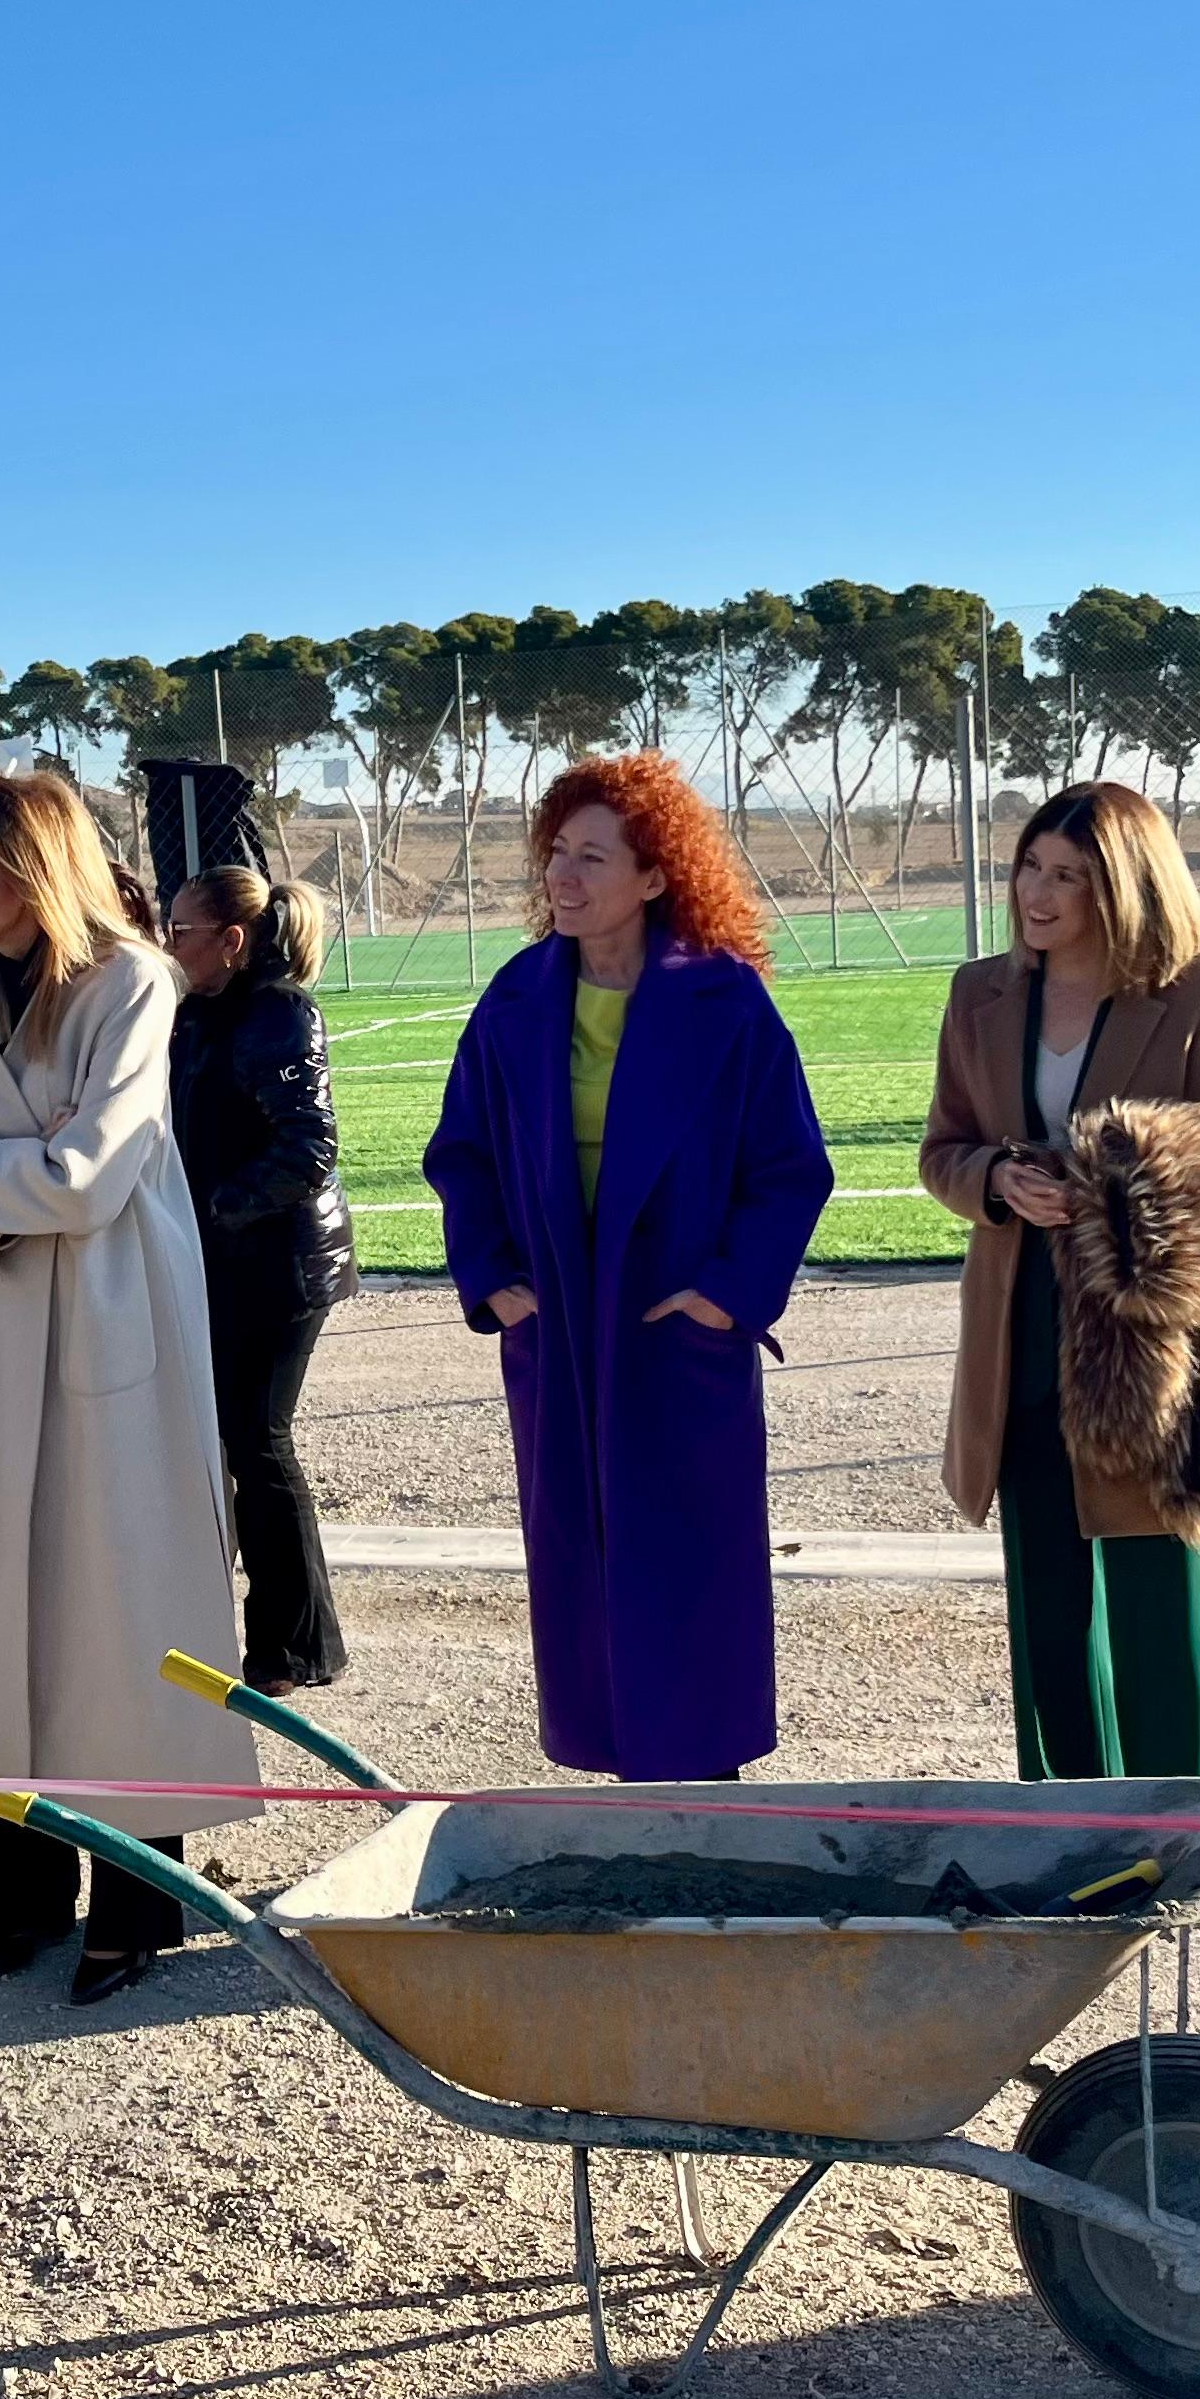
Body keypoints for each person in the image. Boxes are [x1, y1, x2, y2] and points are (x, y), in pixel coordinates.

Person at [0, 772, 258, 2005]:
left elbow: (94, 1176)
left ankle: (141, 1903)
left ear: (32, 871)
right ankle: (21, 1897)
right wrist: (12, 1175)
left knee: (120, 1615)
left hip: (114, 1338)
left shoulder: (134, 983)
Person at [422, 752, 833, 1783]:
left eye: (590, 857)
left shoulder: (724, 1002)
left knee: (686, 1564)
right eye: (554, 852)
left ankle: (704, 1795)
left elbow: (787, 1167)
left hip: (670, 1330)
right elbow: (459, 1154)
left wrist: (725, 1297)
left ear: (654, 876)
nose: (561, 875)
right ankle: (620, 1788)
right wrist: (493, 1281)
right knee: (581, 1560)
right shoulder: (516, 998)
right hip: (556, 1328)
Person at [918, 782, 1200, 1780]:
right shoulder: (976, 993)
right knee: (1044, 1613)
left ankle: (1173, 1819)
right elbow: (941, 1149)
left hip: (1141, 1344)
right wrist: (994, 1177)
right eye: (1029, 866)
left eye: (1067, 876)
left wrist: (1108, 1171)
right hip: (1013, 1332)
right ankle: (1063, 1825)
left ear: (1123, 883)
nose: (1037, 893)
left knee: (1155, 1602)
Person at [164, 866, 357, 1692]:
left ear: (231, 942)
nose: (168, 944)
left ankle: (295, 1643)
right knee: (236, 1442)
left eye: (181, 930)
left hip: (279, 1267)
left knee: (260, 1443)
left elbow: (307, 1146)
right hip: (228, 1259)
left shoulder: (277, 1012)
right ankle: (268, 1632)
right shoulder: (200, 1012)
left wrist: (212, 1206)